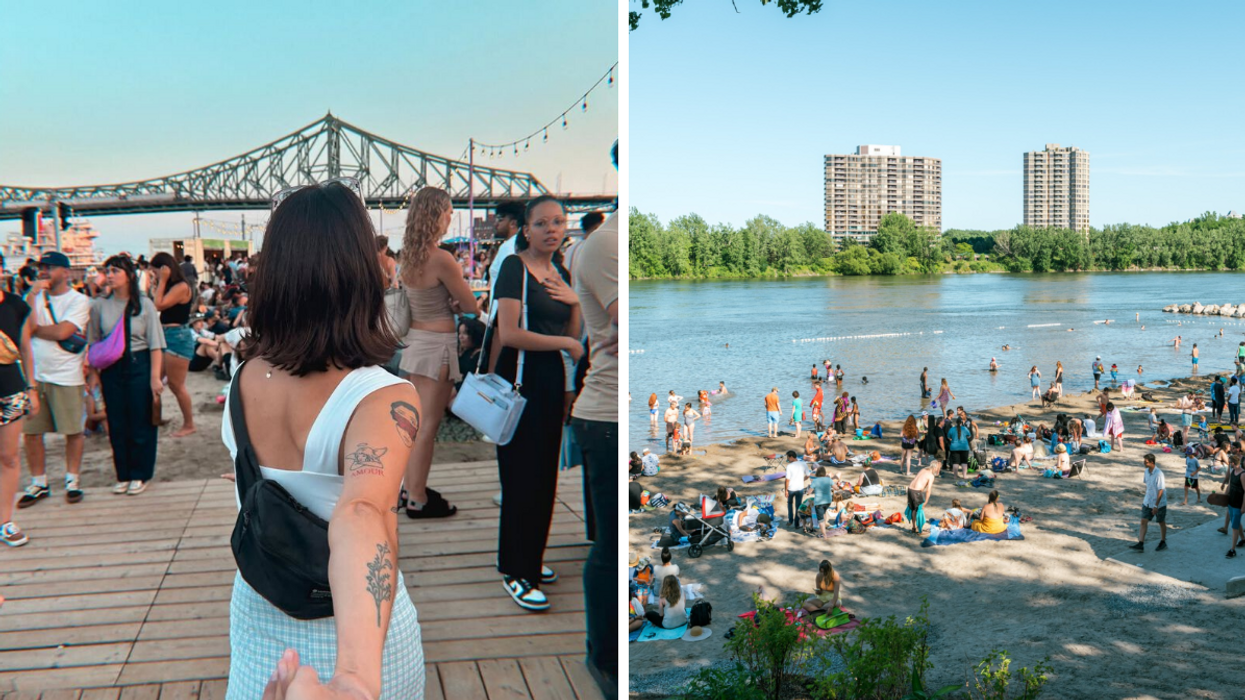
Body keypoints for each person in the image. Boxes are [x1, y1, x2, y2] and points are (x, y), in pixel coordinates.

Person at [221, 180, 424, 699]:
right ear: (361, 270)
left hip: (260, 611)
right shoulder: (383, 397)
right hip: (360, 631)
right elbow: (363, 512)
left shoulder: (243, 376)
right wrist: (354, 679)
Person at [492, 195, 584, 611]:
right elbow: (508, 333)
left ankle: (532, 555)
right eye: (542, 223)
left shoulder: (560, 271)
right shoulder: (515, 268)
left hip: (549, 381)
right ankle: (516, 569)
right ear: (525, 230)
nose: (552, 229)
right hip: (519, 378)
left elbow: (574, 333)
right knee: (520, 477)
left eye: (559, 222)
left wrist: (576, 301)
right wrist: (566, 342)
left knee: (545, 475)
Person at [396, 188, 481, 520]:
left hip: (416, 343)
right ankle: (417, 497)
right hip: (438, 348)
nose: (450, 217)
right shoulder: (442, 258)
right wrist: (456, 303)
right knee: (428, 427)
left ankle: (409, 487)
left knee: (413, 426)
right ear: (437, 215)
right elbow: (472, 306)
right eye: (448, 211)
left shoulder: (408, 256)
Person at [87, 256, 165, 496]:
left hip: (138, 363)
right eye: (107, 271)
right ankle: (123, 473)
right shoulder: (99, 305)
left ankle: (140, 474)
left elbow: (155, 344)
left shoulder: (144, 304)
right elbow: (93, 342)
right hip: (111, 368)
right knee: (117, 421)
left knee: (141, 421)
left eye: (115, 271)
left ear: (129, 275)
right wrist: (93, 375)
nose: (109, 275)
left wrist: (154, 377)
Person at [18, 251, 90, 509]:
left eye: (49, 267)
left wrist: (36, 330)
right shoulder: (34, 296)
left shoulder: (79, 300)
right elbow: (22, 327)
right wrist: (33, 294)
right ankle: (39, 482)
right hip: (35, 375)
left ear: (66, 272)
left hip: (66, 375)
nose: (44, 271)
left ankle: (73, 479)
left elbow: (63, 331)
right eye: (41, 267)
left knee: (73, 430)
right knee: (32, 432)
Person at [0, 284, 37, 547]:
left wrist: (32, 388)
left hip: (10, 388)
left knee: (9, 456)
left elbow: (25, 349)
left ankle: (5, 521)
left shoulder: (15, 305)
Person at [150, 252, 198, 438]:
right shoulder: (173, 285)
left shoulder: (181, 286)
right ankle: (156, 418)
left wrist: (161, 281)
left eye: (155, 271)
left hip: (177, 337)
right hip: (166, 335)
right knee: (154, 380)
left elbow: (159, 305)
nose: (154, 275)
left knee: (176, 385)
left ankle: (189, 424)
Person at [1130, 454, 1168, 552]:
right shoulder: (1146, 472)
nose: (1144, 463)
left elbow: (1161, 490)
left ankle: (1163, 541)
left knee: (1161, 521)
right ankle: (1141, 543)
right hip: (1148, 501)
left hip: (1159, 503)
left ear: (1152, 462)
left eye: (1145, 462)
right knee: (1143, 521)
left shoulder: (1159, 474)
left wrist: (1156, 505)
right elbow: (1148, 486)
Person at [906, 461, 941, 534]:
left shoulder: (923, 470)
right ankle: (920, 530)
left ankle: (913, 528)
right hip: (917, 492)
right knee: (920, 511)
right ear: (934, 468)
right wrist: (926, 501)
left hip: (910, 489)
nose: (938, 470)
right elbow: (928, 490)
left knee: (913, 509)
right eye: (938, 468)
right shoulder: (931, 476)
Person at [1224, 458, 1245, 558]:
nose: (1229, 465)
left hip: (1238, 505)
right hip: (1231, 503)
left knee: (1234, 528)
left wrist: (1243, 507)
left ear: (1233, 463)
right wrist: (1224, 497)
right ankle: (1243, 539)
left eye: (1229, 463)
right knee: (1235, 523)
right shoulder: (1233, 471)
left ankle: (1232, 550)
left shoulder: (1243, 475)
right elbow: (1230, 485)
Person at [783, 450, 808, 528]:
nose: (788, 459)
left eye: (788, 458)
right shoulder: (803, 464)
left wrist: (786, 490)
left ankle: (790, 520)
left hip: (791, 488)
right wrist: (802, 480)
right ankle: (797, 524)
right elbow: (808, 475)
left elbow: (787, 480)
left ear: (791, 457)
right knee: (798, 506)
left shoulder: (789, 466)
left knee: (790, 504)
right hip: (800, 488)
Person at [810, 466, 835, 537]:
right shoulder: (829, 479)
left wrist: (808, 493)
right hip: (828, 501)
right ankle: (825, 528)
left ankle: (824, 535)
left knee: (820, 519)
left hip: (819, 502)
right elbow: (836, 487)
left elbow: (809, 491)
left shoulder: (815, 481)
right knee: (824, 513)